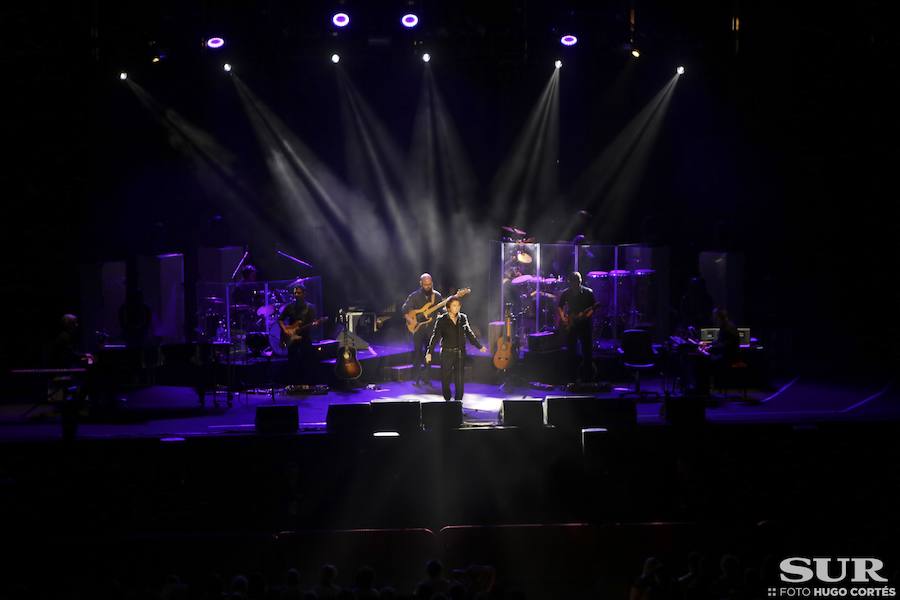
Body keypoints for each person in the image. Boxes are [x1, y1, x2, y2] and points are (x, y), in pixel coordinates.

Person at [426, 296, 487, 401]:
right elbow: (435, 337)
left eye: (458, 305)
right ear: (449, 307)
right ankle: (448, 401)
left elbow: (469, 333)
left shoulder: (462, 318)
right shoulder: (442, 320)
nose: (457, 307)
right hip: (446, 353)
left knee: (459, 379)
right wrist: (429, 352)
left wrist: (479, 346)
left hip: (460, 353)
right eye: (454, 305)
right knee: (446, 379)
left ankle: (458, 402)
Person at [401, 273, 444, 387]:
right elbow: (405, 310)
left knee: (429, 354)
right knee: (417, 354)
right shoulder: (414, 296)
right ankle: (416, 378)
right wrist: (411, 320)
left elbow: (442, 310)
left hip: (432, 329)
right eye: (425, 285)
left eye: (429, 285)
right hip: (418, 329)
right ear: (421, 284)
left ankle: (426, 377)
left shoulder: (437, 296)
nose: (428, 287)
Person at [557, 272, 596, 382]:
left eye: (577, 282)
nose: (576, 284)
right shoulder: (566, 293)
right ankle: (571, 377)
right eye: (573, 282)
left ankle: (587, 376)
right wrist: (563, 318)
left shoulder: (588, 292)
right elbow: (560, 306)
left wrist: (585, 316)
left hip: (584, 324)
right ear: (570, 282)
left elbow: (593, 307)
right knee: (571, 350)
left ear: (580, 281)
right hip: (572, 323)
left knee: (587, 350)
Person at [278, 283, 318, 384]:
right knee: (292, 362)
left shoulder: (310, 307)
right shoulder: (289, 307)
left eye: (298, 293)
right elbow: (280, 320)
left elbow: (314, 322)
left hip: (305, 337)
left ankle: (307, 384)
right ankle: (293, 384)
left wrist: (315, 324)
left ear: (304, 294)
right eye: (295, 293)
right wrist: (285, 330)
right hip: (292, 338)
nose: (296, 295)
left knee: (307, 361)